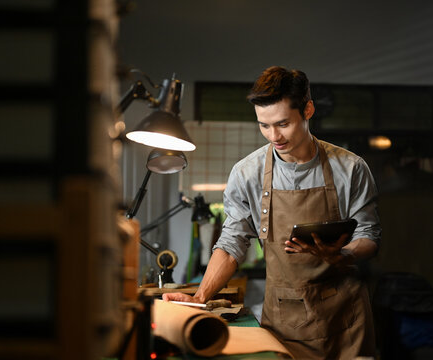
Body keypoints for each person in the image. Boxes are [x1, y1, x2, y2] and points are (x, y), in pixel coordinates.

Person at [163, 66, 381, 359]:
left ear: (308, 110)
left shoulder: (351, 168)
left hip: (345, 319)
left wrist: (343, 254)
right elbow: (232, 244)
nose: (274, 136)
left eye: (283, 123)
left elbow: (370, 236)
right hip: (284, 321)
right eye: (264, 125)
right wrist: (200, 297)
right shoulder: (247, 173)